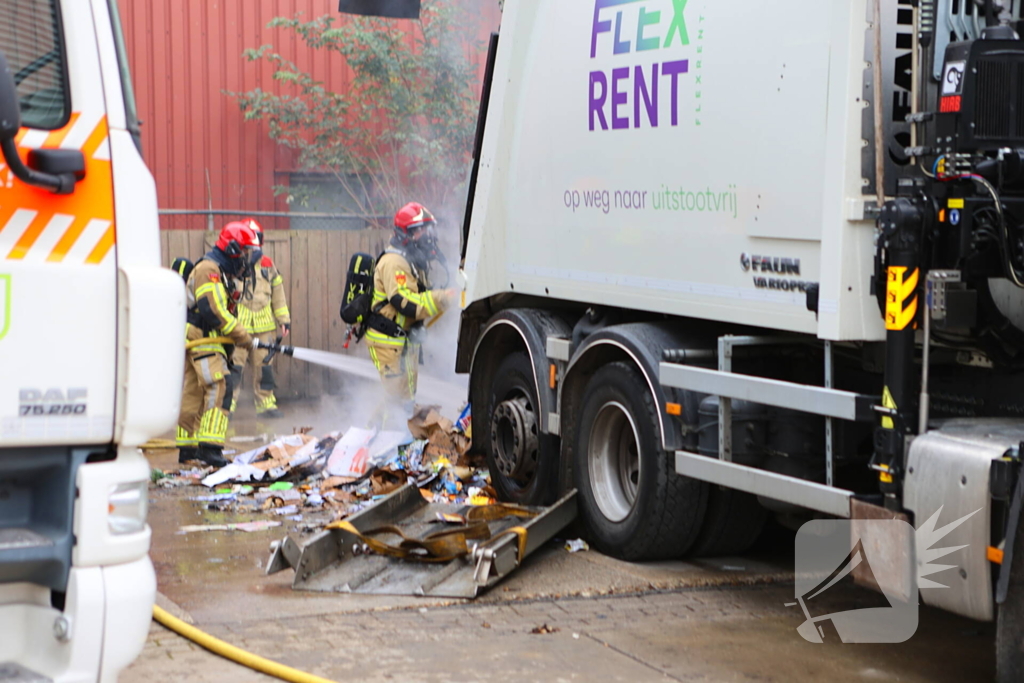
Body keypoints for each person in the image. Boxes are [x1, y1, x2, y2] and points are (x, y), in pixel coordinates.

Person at [177, 222, 261, 467]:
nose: (247, 259)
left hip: (200, 336)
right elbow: (213, 310)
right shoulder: (208, 269)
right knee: (220, 384)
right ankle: (210, 448)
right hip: (203, 336)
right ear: (233, 249)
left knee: (193, 392)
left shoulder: (220, 270)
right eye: (245, 252)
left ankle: (188, 447)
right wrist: (242, 335)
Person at [365, 202, 455, 423]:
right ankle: (378, 445)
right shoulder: (394, 262)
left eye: (427, 229)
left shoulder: (410, 261)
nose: (427, 236)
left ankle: (398, 440)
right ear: (406, 234)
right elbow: (405, 303)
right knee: (394, 400)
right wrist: (443, 297)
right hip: (388, 341)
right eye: (421, 230)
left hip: (403, 341)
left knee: (404, 398)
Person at [229, 218, 291, 419]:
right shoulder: (233, 264)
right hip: (237, 327)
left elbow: (278, 292)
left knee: (265, 369)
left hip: (264, 328)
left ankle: (266, 405)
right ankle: (226, 406)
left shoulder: (267, 264)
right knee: (233, 368)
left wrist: (284, 320)